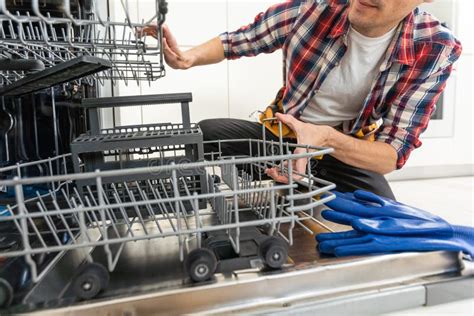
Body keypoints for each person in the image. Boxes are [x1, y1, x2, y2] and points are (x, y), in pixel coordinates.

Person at [140, 0, 462, 199]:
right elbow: (241, 40)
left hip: (343, 151)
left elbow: (390, 155)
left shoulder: (434, 47)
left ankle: (306, 184)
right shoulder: (314, 8)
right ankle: (290, 180)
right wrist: (187, 57)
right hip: (282, 139)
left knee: (383, 214)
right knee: (206, 134)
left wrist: (322, 138)